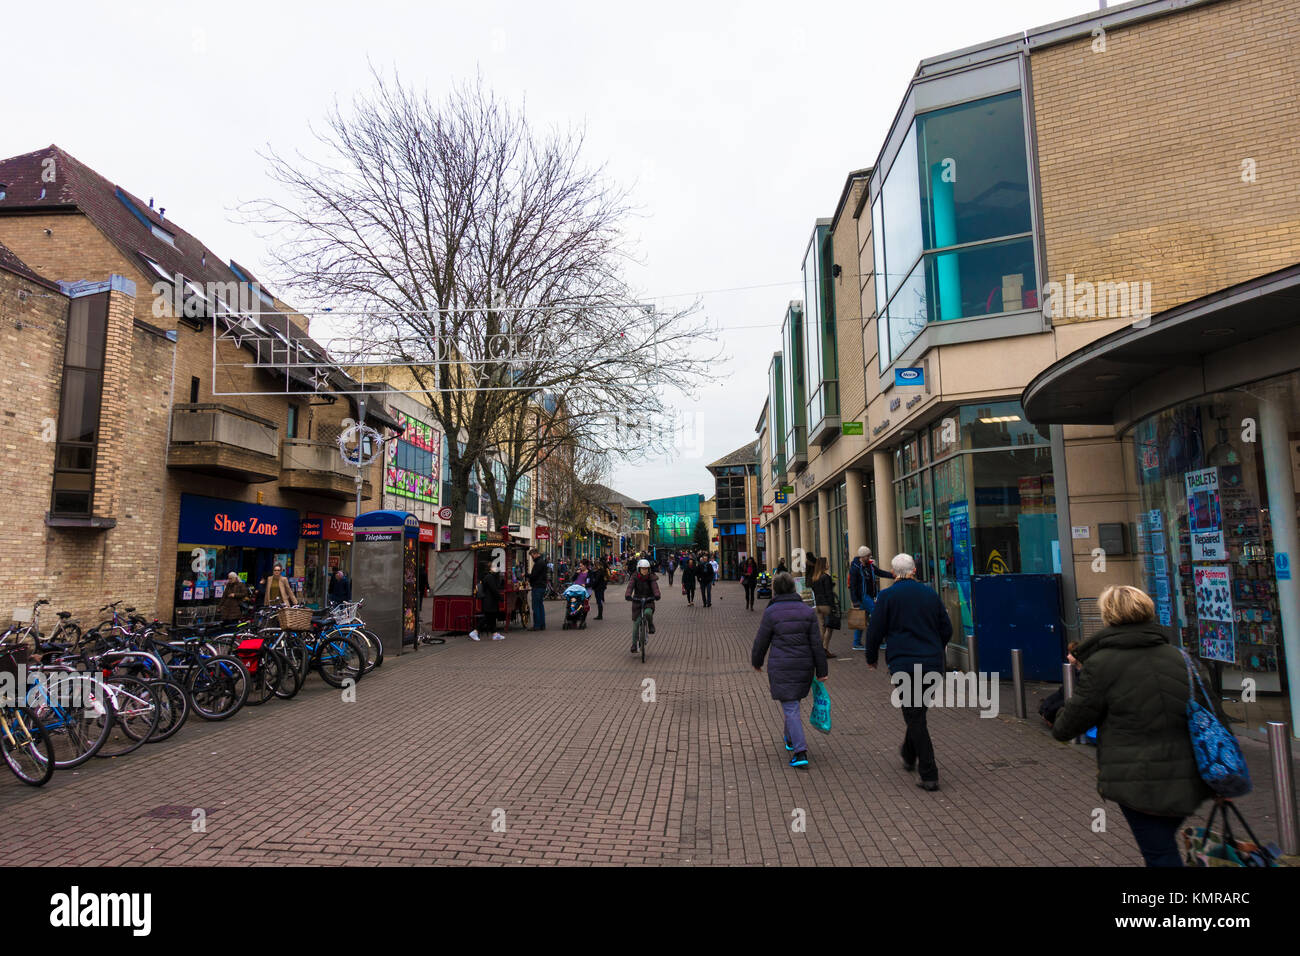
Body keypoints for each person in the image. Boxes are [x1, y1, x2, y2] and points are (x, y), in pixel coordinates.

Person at [1052, 585, 1225, 867]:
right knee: (1162, 845)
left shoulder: (1102, 664)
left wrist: (1061, 715)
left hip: (1137, 780)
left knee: (1160, 854)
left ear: (1108, 616)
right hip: (1189, 776)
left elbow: (1068, 724)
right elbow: (1215, 714)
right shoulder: (1181, 658)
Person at [864, 553, 952, 792]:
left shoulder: (887, 596)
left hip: (904, 663)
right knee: (917, 713)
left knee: (914, 715)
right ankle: (908, 752)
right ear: (914, 571)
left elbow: (875, 630)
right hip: (932, 663)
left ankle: (929, 772)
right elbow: (947, 628)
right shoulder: (930, 594)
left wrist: (871, 658)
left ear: (893, 574)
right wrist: (935, 647)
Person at [751, 571, 828, 769]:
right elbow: (816, 644)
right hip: (803, 667)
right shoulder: (807, 612)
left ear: (775, 590)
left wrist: (756, 661)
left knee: (791, 706)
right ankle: (790, 738)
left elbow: (761, 641)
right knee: (792, 704)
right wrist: (822, 670)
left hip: (781, 665)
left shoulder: (771, 612)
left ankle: (800, 750)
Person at [848, 546, 894, 651]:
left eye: (869, 555)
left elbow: (880, 572)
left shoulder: (870, 566)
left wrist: (893, 575)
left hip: (869, 596)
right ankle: (880, 641)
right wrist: (854, 600)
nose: (869, 557)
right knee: (877, 615)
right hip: (863, 597)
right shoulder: (855, 568)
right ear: (862, 556)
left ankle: (857, 643)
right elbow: (853, 585)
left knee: (861, 619)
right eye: (868, 555)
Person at [624, 558, 660, 653]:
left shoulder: (651, 577)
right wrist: (628, 595)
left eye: (646, 569)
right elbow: (630, 587)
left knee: (648, 613)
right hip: (637, 601)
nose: (645, 570)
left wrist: (656, 595)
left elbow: (655, 587)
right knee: (636, 624)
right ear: (639, 569)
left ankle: (651, 625)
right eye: (643, 569)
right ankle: (634, 645)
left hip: (649, 600)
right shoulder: (634, 577)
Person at [808, 556, 839, 658]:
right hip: (826, 604)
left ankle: (817, 650)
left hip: (818, 605)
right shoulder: (826, 577)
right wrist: (833, 606)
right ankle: (824, 649)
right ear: (823, 565)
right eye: (826, 563)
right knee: (830, 628)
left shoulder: (815, 578)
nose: (828, 565)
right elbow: (828, 593)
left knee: (821, 628)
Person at [470, 567, 505, 641]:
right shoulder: (490, 577)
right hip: (489, 601)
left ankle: (495, 634)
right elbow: (494, 589)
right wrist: (500, 598)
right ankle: (475, 632)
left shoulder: (489, 577)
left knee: (492, 617)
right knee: (487, 617)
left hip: (489, 601)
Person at [527, 548, 548, 631]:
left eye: (532, 555)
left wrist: (527, 575)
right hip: (542, 586)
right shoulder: (542, 562)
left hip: (537, 587)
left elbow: (534, 575)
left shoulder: (538, 563)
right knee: (540, 606)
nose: (532, 557)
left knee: (536, 606)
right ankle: (542, 624)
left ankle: (537, 625)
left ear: (535, 554)